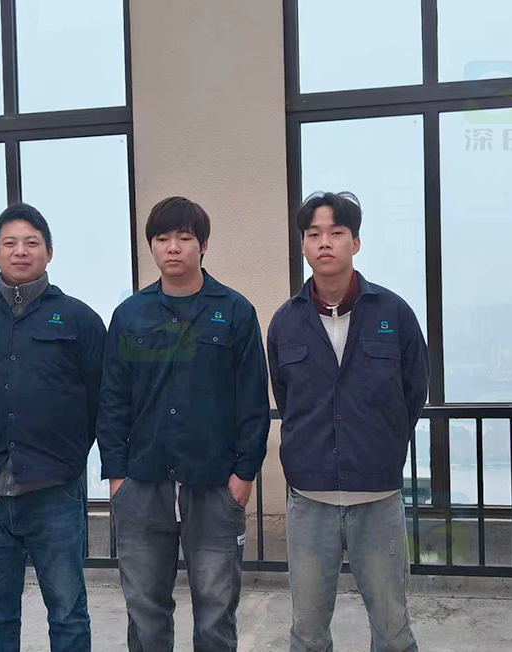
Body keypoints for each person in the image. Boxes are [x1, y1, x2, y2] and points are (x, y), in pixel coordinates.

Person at [97, 196, 271, 652]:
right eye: (162, 238)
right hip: (142, 482)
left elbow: (253, 400)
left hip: (214, 483)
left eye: (184, 237)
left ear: (203, 245)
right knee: (145, 612)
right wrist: (117, 477)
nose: (172, 247)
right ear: (151, 246)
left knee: (215, 613)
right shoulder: (130, 315)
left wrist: (243, 476)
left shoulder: (234, 311)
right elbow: (112, 400)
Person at [267, 192, 428, 652]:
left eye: (336, 232)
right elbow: (287, 397)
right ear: (303, 245)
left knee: (393, 631)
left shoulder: (393, 314)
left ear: (355, 242)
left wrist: (383, 445)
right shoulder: (286, 322)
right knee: (307, 633)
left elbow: (414, 391)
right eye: (314, 234)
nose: (325, 242)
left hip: (377, 497)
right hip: (310, 499)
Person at [0, 202, 106, 652]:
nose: (20, 251)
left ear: (49, 252)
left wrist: (69, 451)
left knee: (68, 613)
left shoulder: (78, 319)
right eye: (9, 243)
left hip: (55, 490)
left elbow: (100, 394)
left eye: (31, 242)